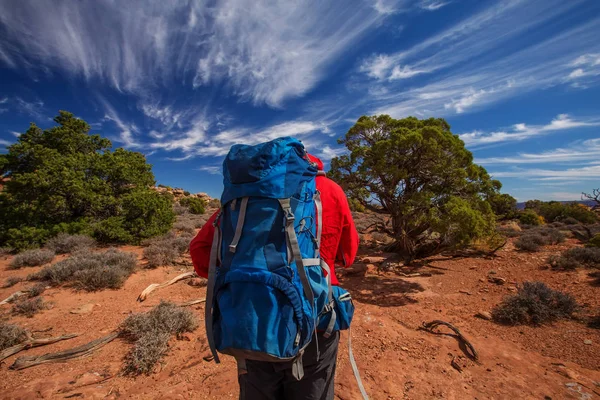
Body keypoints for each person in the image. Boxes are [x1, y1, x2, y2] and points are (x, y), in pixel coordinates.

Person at [190, 153, 359, 400]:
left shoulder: (245, 197)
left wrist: (242, 276)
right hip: (315, 321)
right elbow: (348, 254)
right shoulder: (330, 190)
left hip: (253, 319)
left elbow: (200, 252)